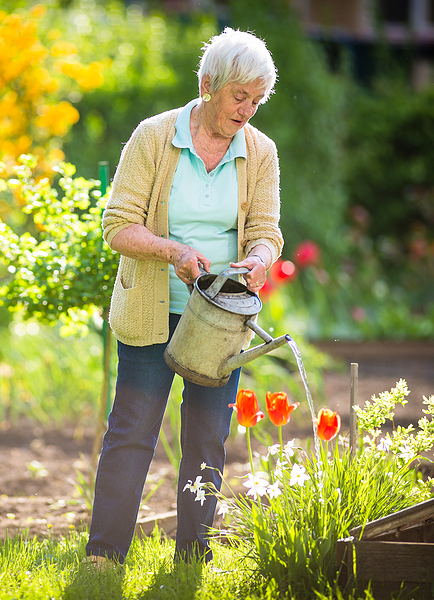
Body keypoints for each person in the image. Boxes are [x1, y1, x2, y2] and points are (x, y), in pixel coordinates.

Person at [86, 27, 283, 566]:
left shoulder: (259, 151)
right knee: (132, 432)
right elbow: (118, 226)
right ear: (206, 85)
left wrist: (259, 260)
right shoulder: (154, 137)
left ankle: (192, 558)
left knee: (207, 438)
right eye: (238, 96)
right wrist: (173, 251)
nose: (247, 110)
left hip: (219, 320)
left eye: (257, 100)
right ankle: (104, 555)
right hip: (153, 310)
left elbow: (267, 231)